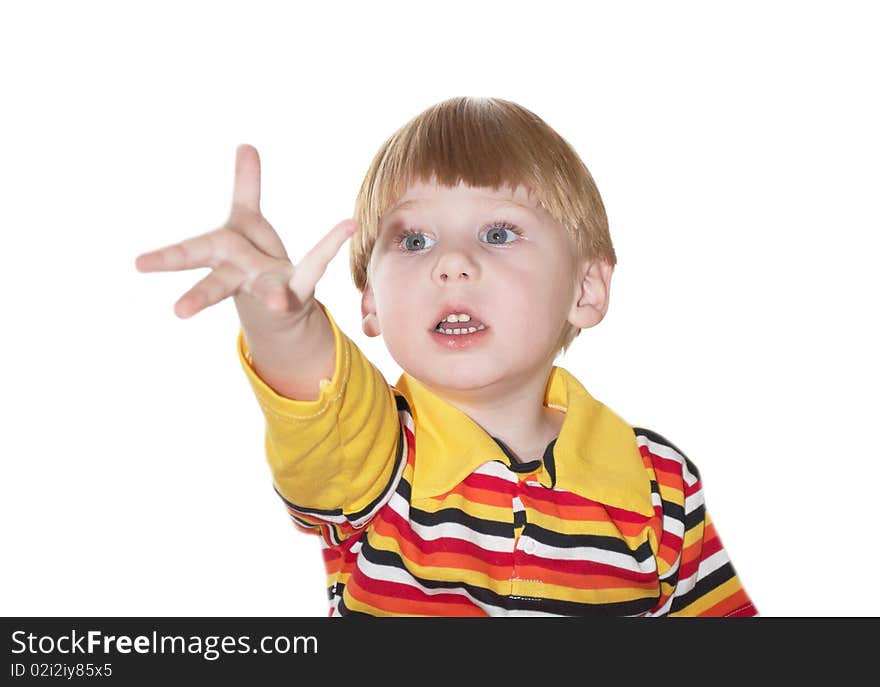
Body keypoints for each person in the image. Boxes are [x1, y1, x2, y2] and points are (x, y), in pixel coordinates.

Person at [136, 96, 758, 617]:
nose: (452, 262)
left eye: (498, 233)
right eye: (414, 239)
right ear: (371, 302)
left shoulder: (659, 484)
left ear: (586, 289)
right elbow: (317, 392)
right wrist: (281, 324)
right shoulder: (380, 455)